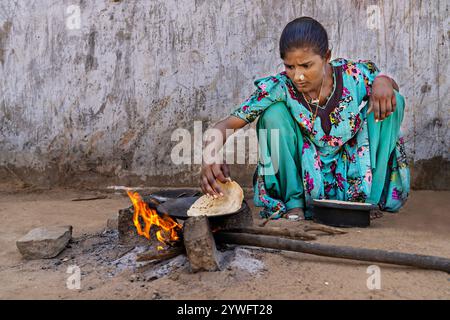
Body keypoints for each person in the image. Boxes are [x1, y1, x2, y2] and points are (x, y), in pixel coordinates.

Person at [200, 17, 410, 221]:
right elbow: (227, 124)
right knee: (272, 115)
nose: (298, 76)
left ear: (327, 56)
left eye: (306, 66)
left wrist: (384, 81)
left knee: (394, 101)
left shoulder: (352, 74)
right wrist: (210, 154)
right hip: (306, 173)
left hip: (354, 174)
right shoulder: (280, 86)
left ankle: (367, 202)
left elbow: (390, 87)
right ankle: (294, 203)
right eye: (290, 67)